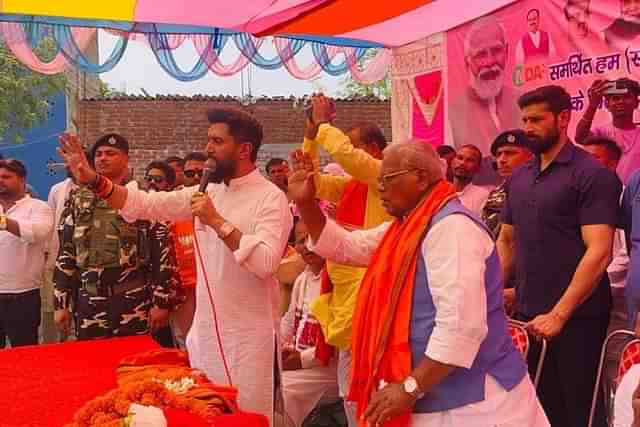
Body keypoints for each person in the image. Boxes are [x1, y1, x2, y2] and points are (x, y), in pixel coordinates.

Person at [287, 140, 549, 427]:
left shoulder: (452, 229)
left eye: (386, 179)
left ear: (421, 178)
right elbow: (346, 248)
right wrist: (306, 203)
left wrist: (410, 387)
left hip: (476, 404)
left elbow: (461, 327)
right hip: (430, 393)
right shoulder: (407, 228)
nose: (380, 189)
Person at [58, 109, 293, 425]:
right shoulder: (206, 191)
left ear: (244, 149)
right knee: (203, 414)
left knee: (247, 419)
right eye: (208, 140)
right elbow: (146, 205)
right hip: (206, 336)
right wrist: (95, 181)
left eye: (217, 141)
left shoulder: (270, 198)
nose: (208, 148)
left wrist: (216, 221)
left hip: (249, 342)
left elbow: (266, 263)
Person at [498, 85, 621, 427]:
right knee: (538, 409)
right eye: (525, 119)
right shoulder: (521, 176)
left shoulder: (591, 175)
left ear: (564, 118)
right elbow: (507, 240)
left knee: (580, 411)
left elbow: (600, 252)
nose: (528, 127)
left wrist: (559, 314)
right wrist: (491, 291)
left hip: (577, 319)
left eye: (537, 119)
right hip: (527, 316)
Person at [302, 99, 393, 426]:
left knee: (369, 392)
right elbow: (316, 184)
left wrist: (325, 125)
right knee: (349, 391)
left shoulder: (383, 175)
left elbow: (349, 160)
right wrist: (310, 139)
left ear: (371, 148)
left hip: (374, 300)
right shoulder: (356, 184)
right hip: (346, 302)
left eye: (354, 146)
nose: (347, 154)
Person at [53, 134, 177, 342]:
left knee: (135, 365)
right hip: (89, 301)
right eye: (99, 154)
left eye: (111, 153)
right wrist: (61, 303)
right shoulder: (77, 200)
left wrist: (161, 302)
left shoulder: (142, 199)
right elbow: (66, 252)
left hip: (133, 299)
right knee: (92, 366)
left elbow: (162, 253)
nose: (103, 158)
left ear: (126, 158)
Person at [279, 220, 339, 427]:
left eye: (310, 238)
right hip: (301, 365)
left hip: (329, 370)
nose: (305, 246)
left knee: (282, 392)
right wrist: (274, 349)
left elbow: (338, 343)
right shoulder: (303, 279)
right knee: (262, 381)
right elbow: (288, 323)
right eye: (299, 241)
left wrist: (301, 360)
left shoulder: (337, 278)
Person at [450, 15, 522, 184]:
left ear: (507, 51)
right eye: (480, 54)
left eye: (496, 51)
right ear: (468, 62)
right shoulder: (455, 111)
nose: (490, 62)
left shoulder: (522, 102)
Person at [0, 159, 53, 347]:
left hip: (22, 297)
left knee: (24, 354)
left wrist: (4, 222)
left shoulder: (39, 207)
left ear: (22, 180)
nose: (1, 180)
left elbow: (37, 233)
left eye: (6, 177)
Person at [142, 160, 184, 348]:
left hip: (168, 299)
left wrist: (162, 302)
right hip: (138, 298)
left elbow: (170, 262)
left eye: (158, 180)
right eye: (148, 179)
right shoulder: (138, 211)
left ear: (168, 184)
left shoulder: (175, 212)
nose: (152, 183)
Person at [575, 77, 640, 183]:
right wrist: (593, 104)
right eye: (615, 98)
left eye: (627, 97)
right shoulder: (600, 132)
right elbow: (580, 138)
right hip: (605, 194)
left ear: (636, 103)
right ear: (607, 105)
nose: (621, 102)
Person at [481, 130, 532, 240]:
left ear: (530, 157)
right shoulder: (495, 195)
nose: (502, 160)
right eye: (499, 155)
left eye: (510, 153)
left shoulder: (542, 190)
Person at [451, 144, 491, 217]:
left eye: (470, 160)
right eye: (459, 158)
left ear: (478, 168)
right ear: (452, 161)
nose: (462, 163)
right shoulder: (439, 191)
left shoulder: (483, 196)